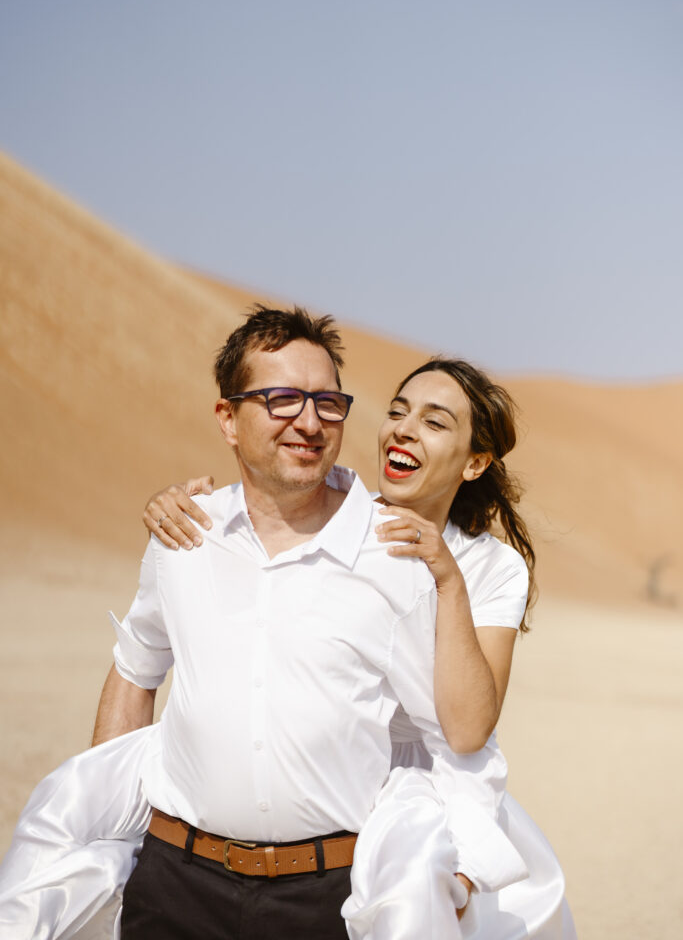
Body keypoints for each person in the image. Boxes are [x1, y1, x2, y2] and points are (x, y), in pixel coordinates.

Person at [0, 306, 529, 940]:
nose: (308, 421)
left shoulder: (409, 563)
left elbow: (461, 735)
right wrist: (105, 827)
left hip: (332, 885)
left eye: (327, 403)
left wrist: (458, 865)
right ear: (228, 418)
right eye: (281, 399)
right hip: (174, 885)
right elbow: (137, 667)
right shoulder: (185, 532)